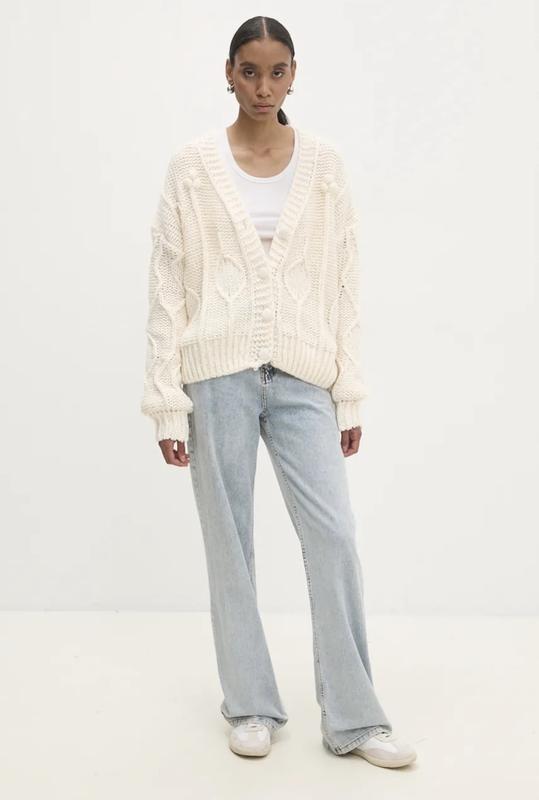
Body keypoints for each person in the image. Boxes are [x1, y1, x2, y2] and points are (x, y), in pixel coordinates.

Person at [140, 15, 417, 768]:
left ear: (294, 74)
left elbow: (344, 282)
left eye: (278, 71)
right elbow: (167, 285)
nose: (263, 86)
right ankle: (251, 704)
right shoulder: (191, 166)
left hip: (302, 375)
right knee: (229, 543)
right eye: (250, 71)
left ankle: (355, 719)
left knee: (334, 536)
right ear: (228, 73)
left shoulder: (324, 165)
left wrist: (348, 392)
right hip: (215, 375)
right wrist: (166, 401)